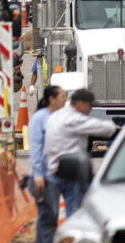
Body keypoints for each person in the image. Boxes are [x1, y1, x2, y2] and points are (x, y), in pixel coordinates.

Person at [44, 89, 116, 217]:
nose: (90, 110)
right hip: (70, 174)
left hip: (51, 172)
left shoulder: (56, 115)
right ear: (81, 104)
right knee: (75, 215)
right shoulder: (74, 119)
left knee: (49, 218)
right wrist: (114, 125)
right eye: (90, 106)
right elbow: (107, 129)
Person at [27, 86, 66, 243]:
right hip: (44, 177)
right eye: (63, 96)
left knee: (54, 215)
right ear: (52, 98)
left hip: (56, 176)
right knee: (47, 215)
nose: (65, 100)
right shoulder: (40, 118)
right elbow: (35, 148)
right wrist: (38, 174)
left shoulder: (58, 117)